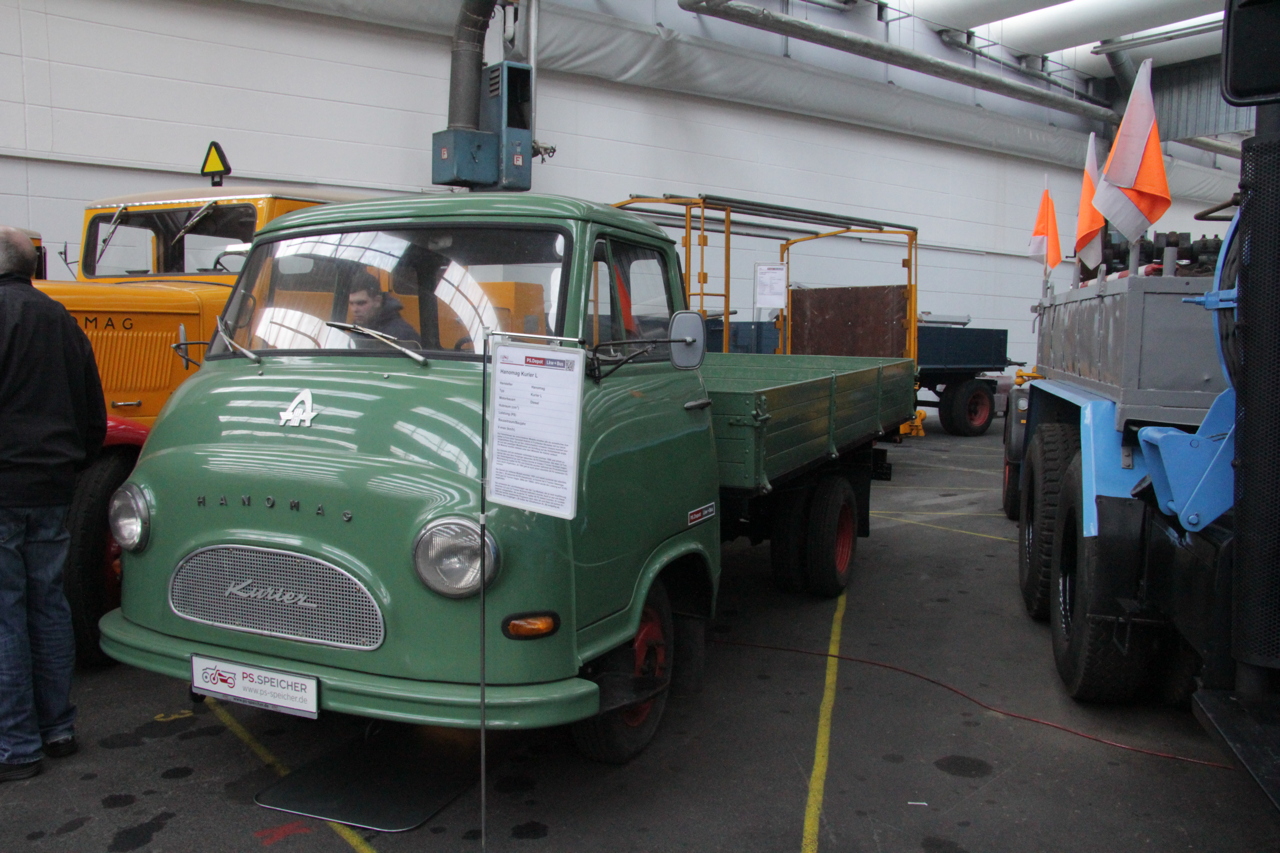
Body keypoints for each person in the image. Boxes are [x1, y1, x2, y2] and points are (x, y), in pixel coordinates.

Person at [0, 226, 106, 782]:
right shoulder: (61, 318)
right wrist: (74, 465)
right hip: (52, 484)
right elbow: (93, 407)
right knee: (48, 604)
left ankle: (15, 747)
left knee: (6, 613)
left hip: (4, 484)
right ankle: (57, 728)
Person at [347, 278, 420, 345]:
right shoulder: (358, 328)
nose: (354, 309)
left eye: (361, 303)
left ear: (377, 301)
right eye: (351, 303)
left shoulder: (402, 334)